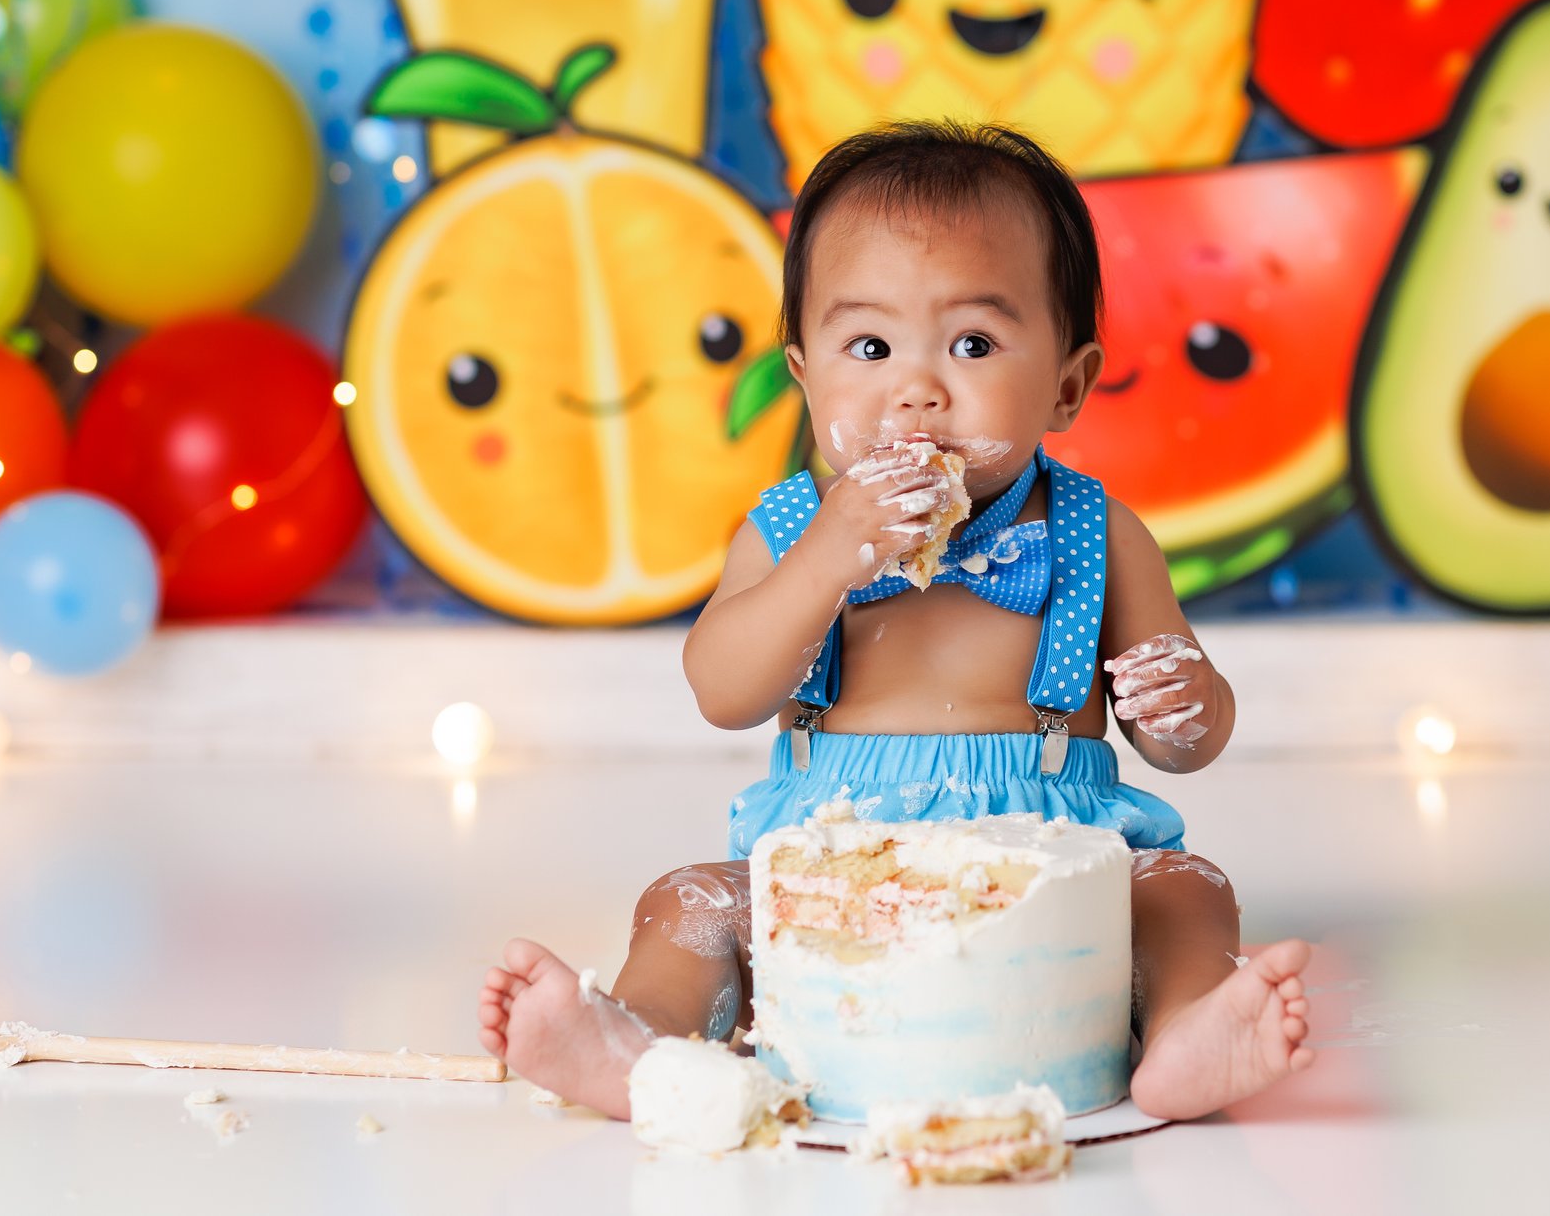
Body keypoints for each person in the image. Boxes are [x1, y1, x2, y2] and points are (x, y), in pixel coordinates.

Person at [477, 121, 1313, 1120]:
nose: (916, 387)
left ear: (1067, 382)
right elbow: (721, 690)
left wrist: (1184, 699)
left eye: (972, 342)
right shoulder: (790, 530)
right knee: (689, 900)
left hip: (1051, 859)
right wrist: (828, 557)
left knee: (1186, 885)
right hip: (829, 866)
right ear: (803, 372)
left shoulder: (1098, 531)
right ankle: (639, 1040)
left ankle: (1185, 1031)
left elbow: (1185, 742)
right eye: (869, 344)